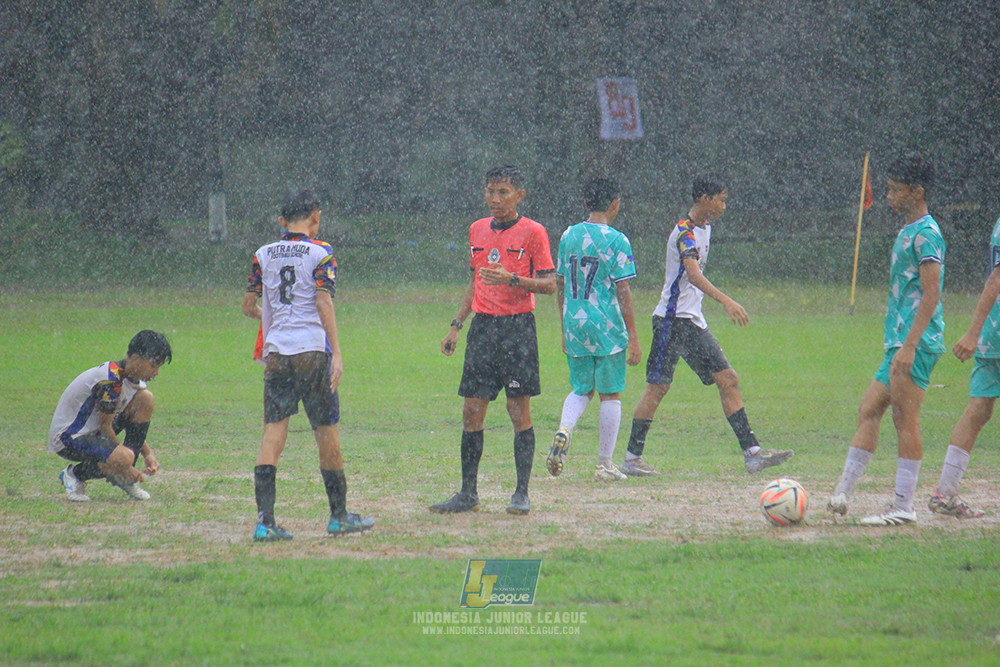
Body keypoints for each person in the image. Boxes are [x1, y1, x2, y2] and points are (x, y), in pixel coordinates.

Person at [620, 174, 793, 477]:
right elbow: (694, 275)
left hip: (692, 322)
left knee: (728, 378)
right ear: (704, 199)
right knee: (657, 388)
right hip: (671, 322)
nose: (724, 207)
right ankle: (632, 458)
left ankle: (752, 453)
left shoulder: (706, 228)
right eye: (721, 200)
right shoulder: (684, 232)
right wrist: (726, 301)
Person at [242, 189, 374, 541]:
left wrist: (277, 320)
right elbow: (322, 302)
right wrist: (338, 352)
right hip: (312, 353)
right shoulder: (321, 252)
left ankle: (265, 523)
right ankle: (339, 517)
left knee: (273, 434)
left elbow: (249, 306)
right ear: (315, 217)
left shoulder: (262, 254)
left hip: (277, 355)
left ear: (282, 221)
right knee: (325, 431)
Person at [828, 153, 945, 526]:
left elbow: (931, 295)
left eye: (896, 190)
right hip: (897, 342)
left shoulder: (927, 233)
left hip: (916, 343)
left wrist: (910, 345)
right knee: (869, 410)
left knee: (903, 418)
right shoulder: (907, 229)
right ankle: (842, 493)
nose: (889, 195)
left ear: (918, 191)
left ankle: (902, 505)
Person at [432, 165, 556, 515]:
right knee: (472, 411)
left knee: (518, 411)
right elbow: (476, 281)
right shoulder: (476, 230)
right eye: (490, 191)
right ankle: (468, 494)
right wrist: (456, 324)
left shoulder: (534, 232)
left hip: (517, 330)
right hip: (483, 330)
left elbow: (549, 284)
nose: (495, 199)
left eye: (503, 192)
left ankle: (521, 493)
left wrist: (513, 279)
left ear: (520, 195)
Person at [546, 176, 642, 481]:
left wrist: (564, 326)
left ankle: (565, 428)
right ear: (614, 205)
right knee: (610, 394)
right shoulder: (618, 240)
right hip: (606, 324)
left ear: (586, 203)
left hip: (574, 322)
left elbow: (560, 282)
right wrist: (634, 337)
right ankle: (604, 464)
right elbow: (623, 291)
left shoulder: (567, 235)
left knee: (581, 388)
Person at [925, 213, 1000, 519]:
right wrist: (971, 331)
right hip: (990, 331)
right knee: (978, 409)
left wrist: (978, 332)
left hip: (992, 333)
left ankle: (945, 492)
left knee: (979, 408)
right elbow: (996, 277)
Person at [49, 330, 172, 502]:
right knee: (124, 457)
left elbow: (130, 425)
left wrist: (148, 455)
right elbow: (105, 426)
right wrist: (123, 464)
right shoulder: (111, 380)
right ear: (135, 358)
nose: (156, 372)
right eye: (154, 366)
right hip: (69, 438)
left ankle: (124, 478)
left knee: (146, 398)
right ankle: (74, 475)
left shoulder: (133, 381)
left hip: (94, 434)